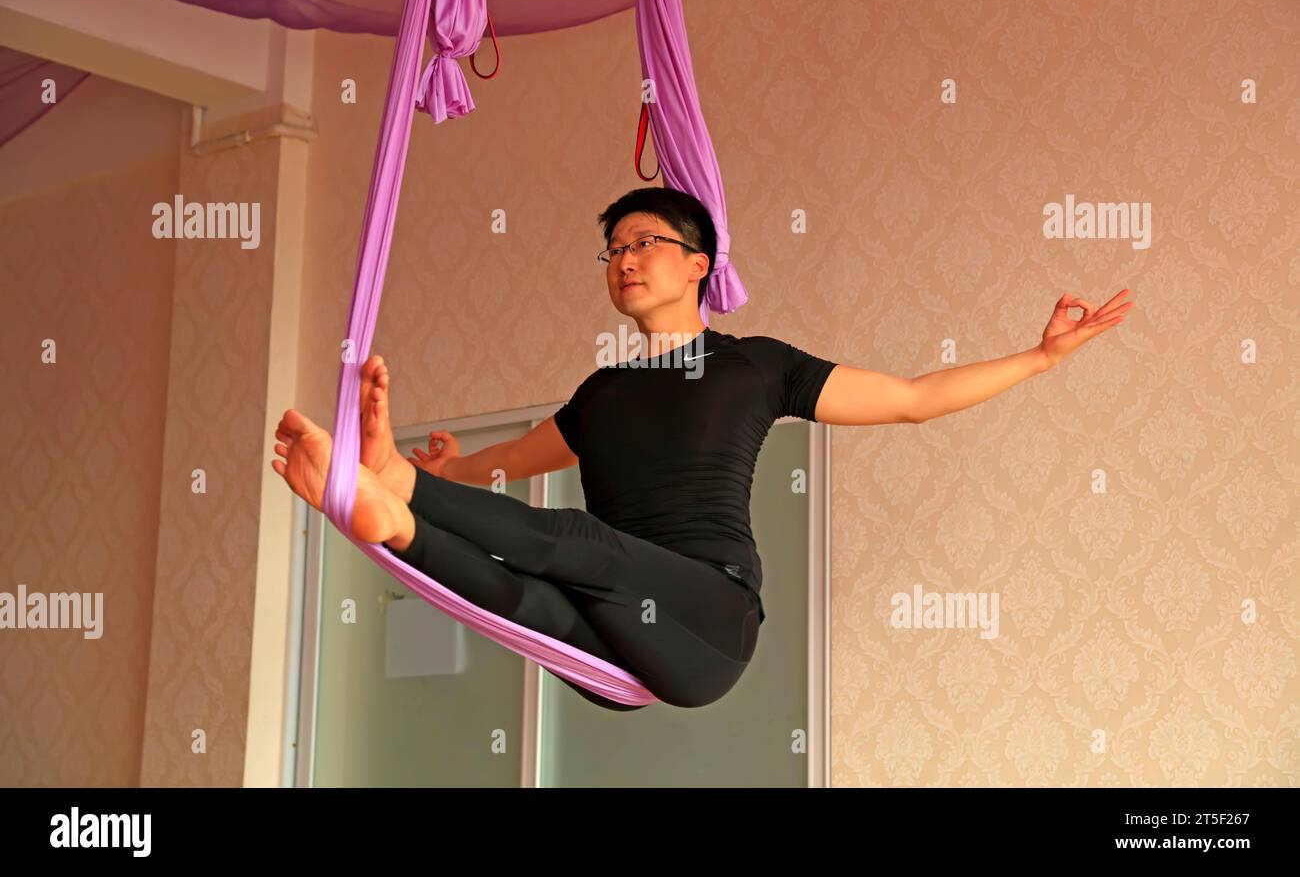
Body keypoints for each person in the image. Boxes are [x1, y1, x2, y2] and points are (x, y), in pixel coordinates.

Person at [271, 187, 1133, 710]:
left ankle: (387, 497)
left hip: (709, 625)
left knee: (581, 543)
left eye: (646, 243)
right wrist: (439, 469)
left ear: (699, 265)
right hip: (610, 654)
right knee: (516, 591)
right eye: (614, 250)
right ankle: (396, 521)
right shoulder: (600, 395)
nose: (624, 260)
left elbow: (912, 401)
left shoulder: (758, 366)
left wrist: (1042, 357)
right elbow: (498, 469)